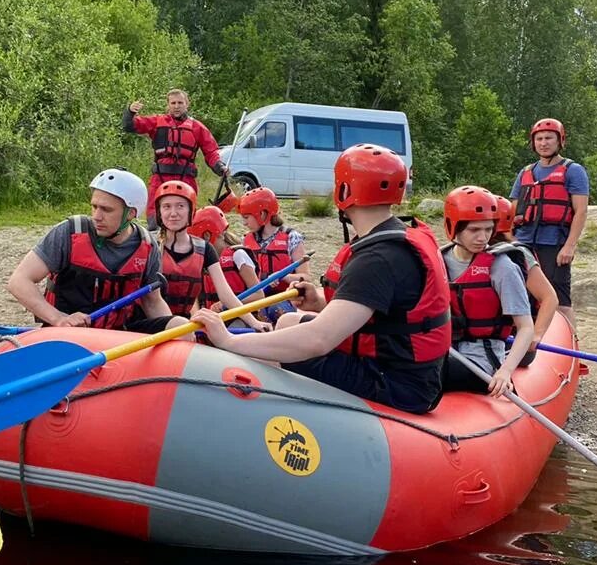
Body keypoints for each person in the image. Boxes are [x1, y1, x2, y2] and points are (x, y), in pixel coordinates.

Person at [192, 144, 451, 415]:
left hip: (396, 383)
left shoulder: (378, 258)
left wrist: (228, 341)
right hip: (407, 365)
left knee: (261, 354)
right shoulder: (398, 236)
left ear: (344, 191)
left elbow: (318, 341)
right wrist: (317, 302)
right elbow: (384, 312)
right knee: (288, 320)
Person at [5, 168, 183, 334]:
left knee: (179, 325)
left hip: (120, 333)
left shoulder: (147, 246)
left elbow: (152, 302)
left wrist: (170, 334)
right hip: (71, 333)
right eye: (94, 206)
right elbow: (18, 281)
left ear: (131, 213)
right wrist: (59, 318)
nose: (96, 216)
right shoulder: (70, 232)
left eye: (106, 210)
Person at [438, 186, 536, 398]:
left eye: (488, 229)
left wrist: (505, 371)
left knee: (424, 374)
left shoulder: (502, 268)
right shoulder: (438, 261)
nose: (483, 237)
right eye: (474, 230)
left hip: (482, 362)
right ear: (453, 227)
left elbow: (526, 327)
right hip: (445, 351)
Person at [153, 181, 268, 330]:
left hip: (186, 326)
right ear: (159, 212)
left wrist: (254, 323)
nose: (173, 213)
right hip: (157, 322)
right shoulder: (152, 247)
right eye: (166, 206)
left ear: (190, 211)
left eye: (180, 206)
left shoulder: (205, 249)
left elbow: (226, 294)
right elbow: (149, 300)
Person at [510, 117, 589, 329]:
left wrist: (570, 246)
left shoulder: (573, 170)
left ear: (559, 141)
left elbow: (580, 211)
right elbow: (513, 210)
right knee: (522, 298)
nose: (544, 143)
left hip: (554, 244)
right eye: (539, 139)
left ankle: (572, 349)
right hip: (524, 243)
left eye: (549, 138)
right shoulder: (526, 172)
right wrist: (510, 241)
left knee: (561, 302)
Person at [124, 89, 229, 228]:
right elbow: (130, 126)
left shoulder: (197, 127)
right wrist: (130, 112)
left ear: (187, 104)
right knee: (155, 218)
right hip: (160, 178)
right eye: (173, 103)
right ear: (168, 105)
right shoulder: (157, 122)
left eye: (180, 102)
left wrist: (219, 166)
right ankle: (157, 243)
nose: (176, 106)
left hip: (186, 179)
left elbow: (211, 151)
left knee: (186, 217)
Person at [491, 195, 559, 365]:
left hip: (514, 339)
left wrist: (536, 334)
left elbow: (549, 298)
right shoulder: (460, 254)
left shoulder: (517, 256)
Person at [237, 186, 308, 325]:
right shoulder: (245, 240)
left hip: (282, 298)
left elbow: (306, 278)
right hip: (256, 300)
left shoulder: (291, 237)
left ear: (262, 214)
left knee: (275, 310)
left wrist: (283, 276)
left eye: (246, 217)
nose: (244, 223)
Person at [189, 206, 262, 309]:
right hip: (215, 318)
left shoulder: (238, 255)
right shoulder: (200, 263)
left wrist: (226, 304)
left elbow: (259, 295)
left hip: (240, 316)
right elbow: (194, 300)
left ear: (207, 236)